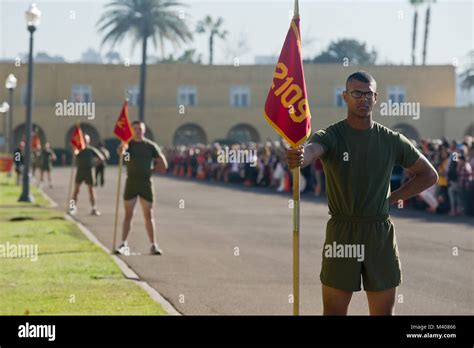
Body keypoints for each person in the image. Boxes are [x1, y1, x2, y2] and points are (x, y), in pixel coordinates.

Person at [287, 71, 438, 315]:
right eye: (356, 93)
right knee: (334, 312)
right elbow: (313, 149)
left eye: (368, 94)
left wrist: (392, 199)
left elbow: (429, 174)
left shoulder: (391, 140)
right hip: (342, 232)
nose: (363, 98)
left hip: (379, 232)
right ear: (345, 96)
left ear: (376, 98)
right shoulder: (332, 136)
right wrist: (302, 155)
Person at [116, 121, 168, 256]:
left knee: (148, 215)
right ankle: (123, 244)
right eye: (135, 129)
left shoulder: (150, 146)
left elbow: (163, 163)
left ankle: (153, 244)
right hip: (131, 182)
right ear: (132, 131)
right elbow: (124, 157)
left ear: (144, 131)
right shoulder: (129, 145)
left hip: (145, 184)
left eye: (140, 129)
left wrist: (151, 170)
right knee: (128, 215)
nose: (138, 131)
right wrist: (123, 149)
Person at [69, 134, 104, 216]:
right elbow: (74, 154)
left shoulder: (91, 150)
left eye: (86, 140)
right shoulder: (78, 149)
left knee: (91, 190)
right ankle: (72, 207)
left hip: (89, 171)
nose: (84, 141)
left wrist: (94, 164)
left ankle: (94, 208)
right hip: (80, 171)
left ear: (88, 141)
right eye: (83, 139)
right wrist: (74, 149)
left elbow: (101, 158)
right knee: (76, 190)